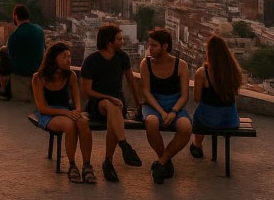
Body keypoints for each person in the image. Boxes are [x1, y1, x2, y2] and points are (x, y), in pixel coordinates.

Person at [80, 24, 143, 182]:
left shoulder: (122, 57)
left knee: (114, 111)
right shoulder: (91, 61)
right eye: (119, 39)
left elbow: (131, 81)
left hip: (117, 103)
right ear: (109, 43)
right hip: (97, 104)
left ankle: (109, 160)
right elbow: (87, 92)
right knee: (110, 105)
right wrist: (107, 97)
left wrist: (139, 104)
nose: (122, 42)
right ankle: (123, 145)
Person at [32, 42, 95, 184]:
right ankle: (72, 164)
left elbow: (77, 101)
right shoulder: (38, 77)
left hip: (66, 110)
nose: (69, 60)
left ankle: (86, 165)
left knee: (83, 123)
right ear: (53, 59)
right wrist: (66, 113)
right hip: (48, 113)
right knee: (69, 125)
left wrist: (77, 112)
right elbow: (42, 107)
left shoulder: (71, 75)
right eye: (64, 57)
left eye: (69, 56)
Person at [140, 28, 191, 184]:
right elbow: (146, 93)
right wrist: (162, 112)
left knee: (186, 128)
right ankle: (165, 160)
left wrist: (174, 111)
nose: (150, 49)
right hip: (153, 105)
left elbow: (184, 95)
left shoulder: (180, 65)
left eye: (154, 46)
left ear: (165, 46)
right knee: (151, 122)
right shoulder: (146, 63)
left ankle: (161, 162)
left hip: (174, 104)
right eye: (149, 46)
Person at [190, 35, 243, 159]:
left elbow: (197, 99)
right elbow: (235, 93)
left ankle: (197, 144)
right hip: (231, 120)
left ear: (209, 52)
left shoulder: (202, 72)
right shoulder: (234, 71)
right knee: (206, 112)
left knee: (199, 114)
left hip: (209, 120)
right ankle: (197, 144)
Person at [0, 4, 44, 100]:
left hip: (25, 70)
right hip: (39, 67)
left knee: (3, 51)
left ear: (16, 16)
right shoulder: (39, 29)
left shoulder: (15, 35)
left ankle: (3, 89)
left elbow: (10, 53)